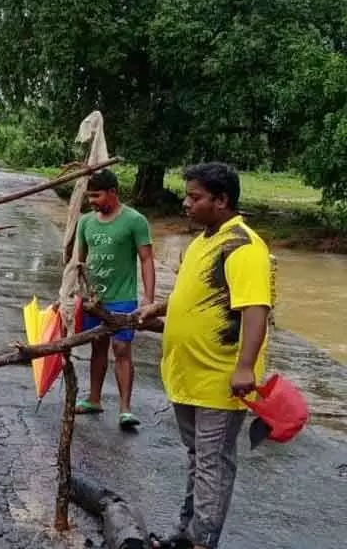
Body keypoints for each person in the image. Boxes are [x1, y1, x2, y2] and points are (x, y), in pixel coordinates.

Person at [136, 163, 272, 549]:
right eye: (187, 196)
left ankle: (201, 540)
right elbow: (196, 297)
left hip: (221, 376)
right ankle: (188, 531)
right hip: (189, 373)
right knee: (199, 458)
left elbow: (255, 310)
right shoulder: (202, 242)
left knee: (213, 462)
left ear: (222, 200)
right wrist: (160, 309)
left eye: (195, 197)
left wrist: (245, 367)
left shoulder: (243, 246)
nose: (186, 204)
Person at [73, 169, 155, 429]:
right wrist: (72, 295)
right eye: (89, 197)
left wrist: (149, 299)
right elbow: (79, 262)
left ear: (113, 192)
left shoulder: (135, 221)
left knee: (121, 350)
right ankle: (94, 399)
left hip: (123, 297)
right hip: (93, 299)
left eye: (96, 195)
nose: (92, 201)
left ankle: (125, 409)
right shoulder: (85, 222)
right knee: (97, 347)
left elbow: (146, 259)